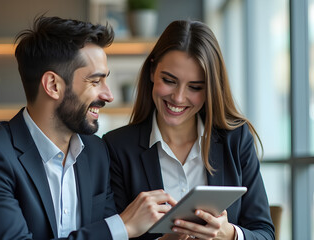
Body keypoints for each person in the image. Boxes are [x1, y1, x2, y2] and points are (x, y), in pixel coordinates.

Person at [0, 16, 177, 240]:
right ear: (53, 85)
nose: (108, 95)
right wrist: (120, 226)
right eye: (95, 81)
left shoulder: (96, 152)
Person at [103, 20, 275, 240]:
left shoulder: (236, 139)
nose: (178, 98)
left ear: (210, 89)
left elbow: (265, 233)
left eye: (195, 87)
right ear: (152, 71)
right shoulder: (116, 148)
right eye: (169, 80)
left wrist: (228, 234)